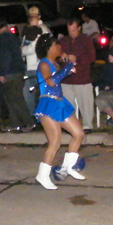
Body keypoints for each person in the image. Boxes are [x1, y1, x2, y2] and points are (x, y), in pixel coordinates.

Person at [33, 33, 86, 190]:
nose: (60, 47)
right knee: (55, 142)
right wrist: (68, 68)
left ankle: (67, 167)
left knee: (78, 133)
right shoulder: (43, 64)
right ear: (49, 48)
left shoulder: (54, 64)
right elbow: (50, 81)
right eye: (57, 45)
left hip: (59, 103)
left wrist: (65, 64)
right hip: (48, 104)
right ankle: (42, 175)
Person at [0, 18, 36, 133]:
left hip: (10, 73)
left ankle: (28, 122)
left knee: (15, 99)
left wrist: (2, 73)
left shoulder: (3, 38)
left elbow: (5, 57)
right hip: (18, 71)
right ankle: (15, 123)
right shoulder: (13, 37)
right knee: (12, 99)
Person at [59, 17, 96, 133]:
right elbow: (57, 58)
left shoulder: (86, 40)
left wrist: (77, 58)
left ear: (79, 28)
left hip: (82, 78)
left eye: (74, 30)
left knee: (86, 103)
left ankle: (87, 125)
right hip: (67, 79)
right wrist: (62, 58)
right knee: (68, 104)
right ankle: (71, 125)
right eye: (69, 31)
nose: (72, 33)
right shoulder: (64, 41)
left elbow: (91, 58)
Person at [20, 7, 52, 116]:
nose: (33, 18)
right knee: (28, 92)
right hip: (29, 66)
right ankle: (33, 117)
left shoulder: (43, 30)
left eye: (35, 16)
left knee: (41, 93)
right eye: (31, 17)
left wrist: (23, 50)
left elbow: (33, 48)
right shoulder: (29, 30)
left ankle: (42, 116)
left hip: (38, 66)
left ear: (39, 16)